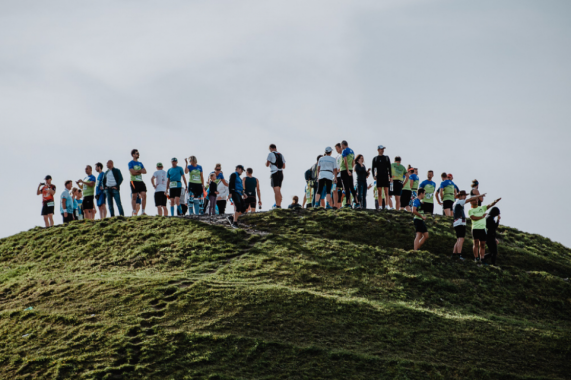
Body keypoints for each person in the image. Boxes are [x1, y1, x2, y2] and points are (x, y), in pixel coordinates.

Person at [469, 196, 501, 263]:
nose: (476, 201)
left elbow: (489, 205)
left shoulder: (482, 209)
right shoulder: (471, 210)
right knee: (476, 244)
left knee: (482, 245)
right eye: (475, 200)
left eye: (477, 200)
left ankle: (482, 259)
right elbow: (472, 217)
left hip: (483, 230)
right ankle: (477, 258)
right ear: (471, 202)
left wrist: (495, 201)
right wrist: (482, 217)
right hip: (477, 229)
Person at [452, 190, 483, 259]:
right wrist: (479, 196)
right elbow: (470, 199)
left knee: (458, 239)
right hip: (460, 222)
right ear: (460, 196)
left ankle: (454, 254)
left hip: (456, 222)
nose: (465, 197)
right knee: (461, 239)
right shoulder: (460, 201)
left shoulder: (455, 203)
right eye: (464, 195)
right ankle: (459, 254)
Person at [339, 140, 360, 208]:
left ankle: (348, 204)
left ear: (343, 145)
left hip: (345, 170)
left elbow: (345, 161)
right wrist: (350, 169)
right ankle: (357, 203)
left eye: (341, 146)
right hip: (350, 169)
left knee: (346, 187)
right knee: (351, 186)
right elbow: (353, 162)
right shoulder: (352, 151)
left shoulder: (344, 151)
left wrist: (347, 170)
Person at [371, 145, 392, 210]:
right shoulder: (375, 158)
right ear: (378, 150)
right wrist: (373, 175)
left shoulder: (386, 158)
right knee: (379, 192)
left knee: (386, 192)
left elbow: (390, 167)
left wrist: (390, 176)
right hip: (379, 176)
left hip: (385, 176)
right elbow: (373, 168)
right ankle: (380, 206)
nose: (382, 150)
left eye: (383, 149)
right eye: (381, 149)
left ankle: (386, 206)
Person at [128, 149, 148, 216]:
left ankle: (143, 211)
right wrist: (140, 171)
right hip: (134, 181)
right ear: (133, 155)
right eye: (136, 153)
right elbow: (132, 172)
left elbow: (145, 171)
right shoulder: (130, 163)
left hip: (140, 181)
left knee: (144, 195)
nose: (138, 154)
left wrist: (136, 171)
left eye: (138, 153)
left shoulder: (140, 163)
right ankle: (134, 211)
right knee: (134, 197)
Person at [266, 144, 286, 208]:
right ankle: (279, 204)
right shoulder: (281, 154)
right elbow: (284, 166)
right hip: (281, 173)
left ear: (271, 148)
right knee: (279, 190)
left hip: (275, 173)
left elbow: (267, 164)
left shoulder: (270, 154)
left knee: (276, 190)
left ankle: (277, 205)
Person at [334, 143, 344, 208]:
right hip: (337, 175)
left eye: (337, 149)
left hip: (342, 174)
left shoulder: (344, 155)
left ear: (340, 147)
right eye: (336, 149)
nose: (337, 150)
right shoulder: (337, 156)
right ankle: (336, 205)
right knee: (335, 190)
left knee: (344, 190)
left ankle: (344, 204)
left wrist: (340, 169)